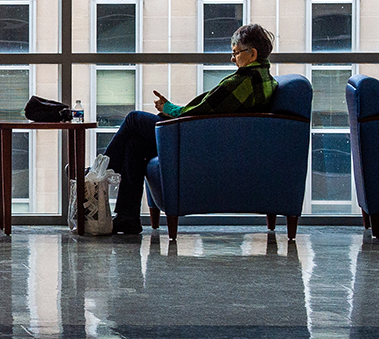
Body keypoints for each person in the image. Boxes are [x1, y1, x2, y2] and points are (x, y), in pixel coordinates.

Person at [103, 24, 279, 235]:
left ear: (252, 54)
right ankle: (127, 218)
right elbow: (208, 111)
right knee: (135, 145)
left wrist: (169, 109)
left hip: (194, 140)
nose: (233, 59)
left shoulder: (243, 82)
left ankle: (100, 173)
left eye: (236, 53)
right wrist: (171, 110)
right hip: (207, 138)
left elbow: (201, 112)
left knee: (133, 119)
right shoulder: (266, 81)